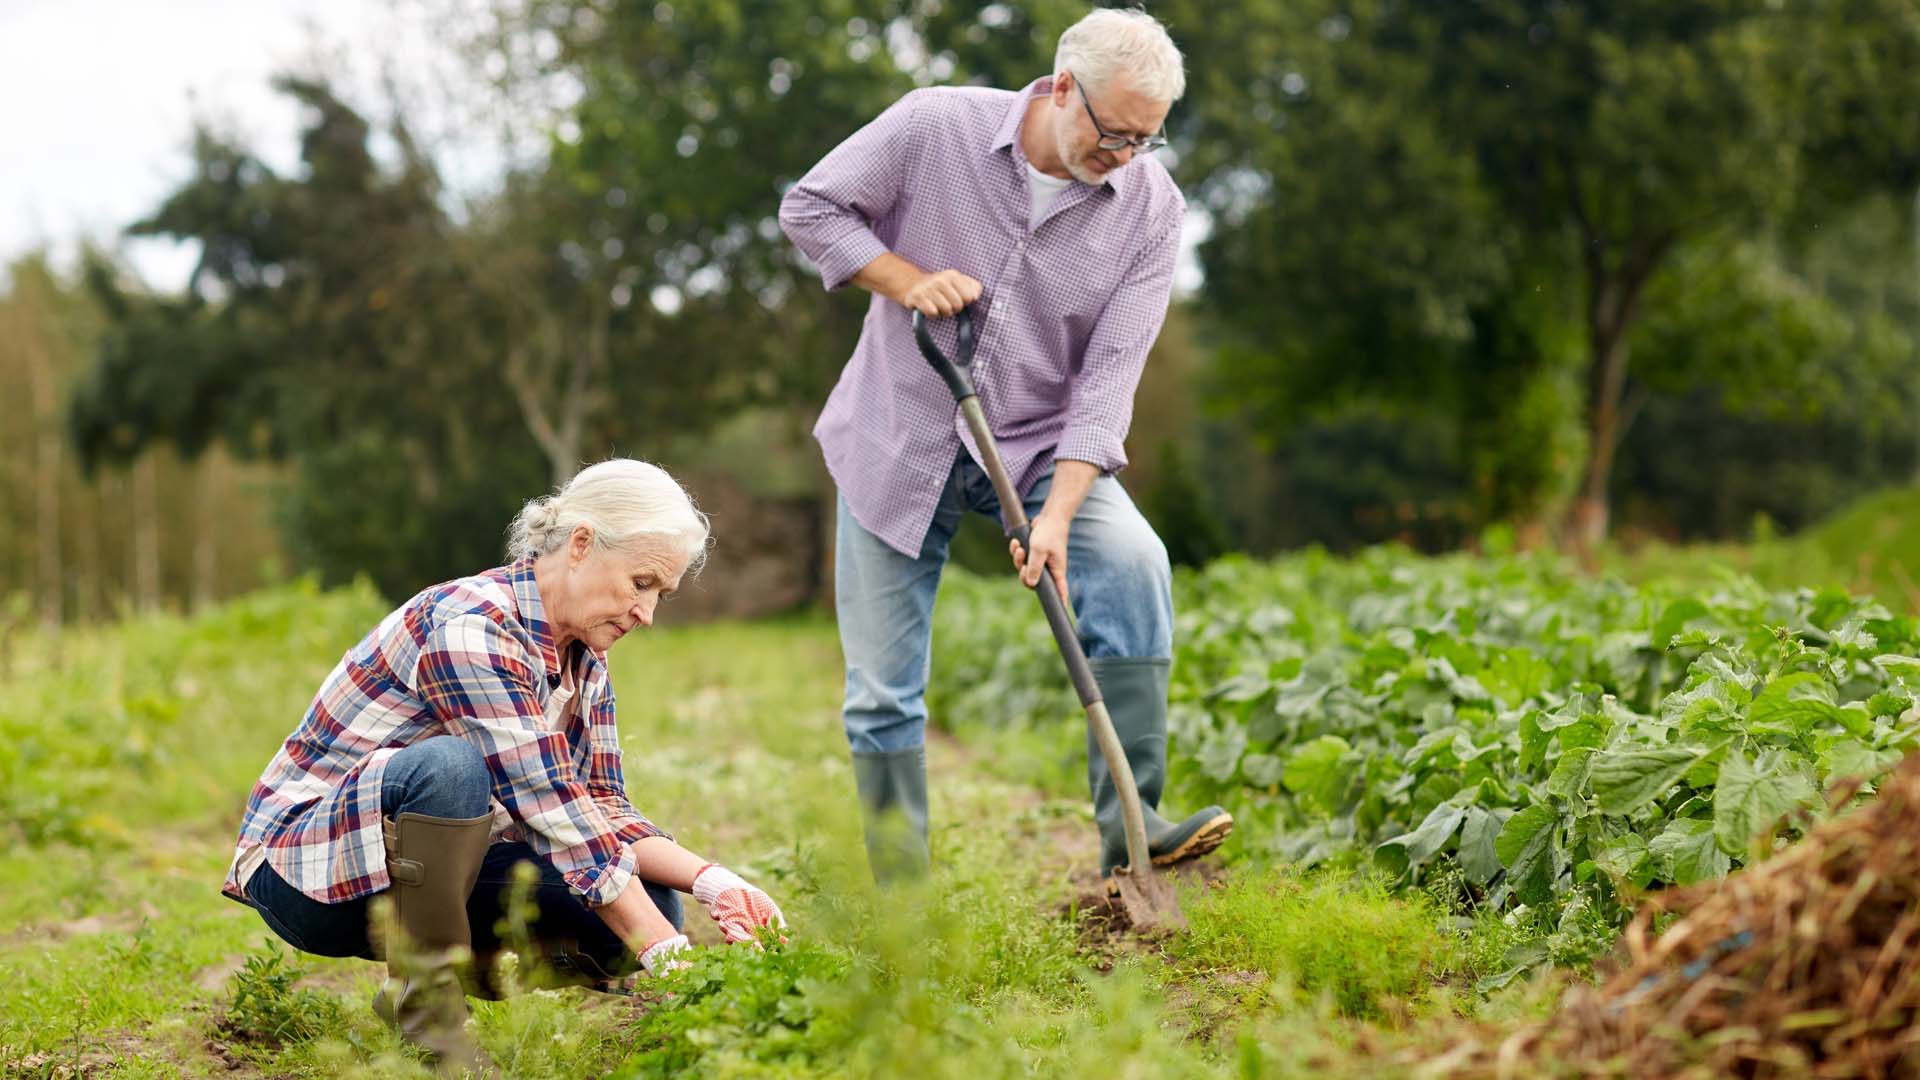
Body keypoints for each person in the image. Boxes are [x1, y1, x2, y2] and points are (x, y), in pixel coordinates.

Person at [779, 7, 1232, 886]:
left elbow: (1108, 381)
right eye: (1114, 133)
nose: (1127, 156)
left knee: (1135, 564)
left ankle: (1134, 832)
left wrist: (1058, 516)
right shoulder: (933, 125)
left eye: (1149, 139)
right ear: (1063, 87)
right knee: (883, 688)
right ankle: (903, 898)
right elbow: (813, 207)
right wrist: (908, 280)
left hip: (1032, 444)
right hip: (898, 434)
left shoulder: (1151, 210)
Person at [220, 459, 786, 1073]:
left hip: (412, 872)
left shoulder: (584, 658)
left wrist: (714, 881)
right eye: (641, 583)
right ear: (580, 544)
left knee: (651, 902)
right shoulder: (471, 627)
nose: (647, 613)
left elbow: (600, 807)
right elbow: (554, 811)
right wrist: (676, 964)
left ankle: (454, 957)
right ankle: (429, 1024)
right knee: (450, 770)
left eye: (661, 595)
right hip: (306, 868)